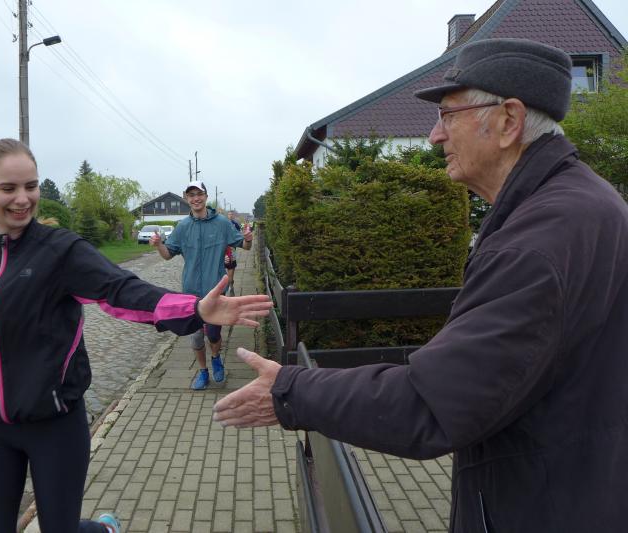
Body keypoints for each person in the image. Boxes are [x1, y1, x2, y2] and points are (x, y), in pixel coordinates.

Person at [213, 38, 628, 532]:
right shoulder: (585, 205)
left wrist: (291, 390)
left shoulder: (538, 240)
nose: (435, 136)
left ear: (508, 121)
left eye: (448, 115)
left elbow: (432, 406)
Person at [0, 139, 272, 533]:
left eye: (30, 186)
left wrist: (193, 309)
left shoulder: (61, 250)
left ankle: (103, 529)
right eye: (9, 188)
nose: (22, 198)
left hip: (55, 421)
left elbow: (120, 291)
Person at [150, 181, 253, 390]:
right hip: (190, 294)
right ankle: (203, 371)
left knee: (213, 335)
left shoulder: (222, 223)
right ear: (186, 198)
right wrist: (159, 245)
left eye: (199, 194)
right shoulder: (183, 227)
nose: (195, 198)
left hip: (215, 292)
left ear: (206, 196)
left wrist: (249, 239)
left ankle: (216, 357)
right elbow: (168, 255)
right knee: (197, 338)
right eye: (191, 195)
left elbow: (245, 245)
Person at [224, 210, 242, 292]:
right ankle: (226, 283)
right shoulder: (222, 223)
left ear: (233, 216)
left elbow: (239, 234)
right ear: (227, 215)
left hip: (232, 248)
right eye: (229, 214)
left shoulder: (235, 224)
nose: (230, 215)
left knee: (231, 265)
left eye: (231, 214)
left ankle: (231, 283)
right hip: (222, 248)